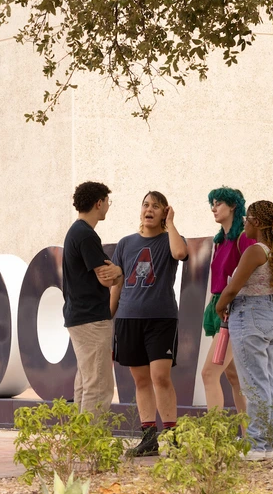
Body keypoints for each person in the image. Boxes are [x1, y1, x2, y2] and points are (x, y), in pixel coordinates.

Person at [111, 191, 189, 457]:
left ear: (165, 212)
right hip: (128, 318)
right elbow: (118, 282)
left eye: (156, 206)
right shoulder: (125, 243)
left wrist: (171, 224)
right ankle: (148, 438)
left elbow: (180, 253)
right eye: (146, 204)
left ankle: (172, 435)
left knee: (160, 377)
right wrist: (110, 314)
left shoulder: (170, 240)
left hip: (162, 319)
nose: (149, 209)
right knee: (141, 379)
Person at [216, 201, 273, 461]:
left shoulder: (254, 251)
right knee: (267, 380)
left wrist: (220, 305)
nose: (245, 224)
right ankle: (266, 441)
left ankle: (258, 445)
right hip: (272, 315)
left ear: (257, 223)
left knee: (253, 382)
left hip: (250, 315)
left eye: (248, 219)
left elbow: (233, 287)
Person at [62, 181, 123, 418]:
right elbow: (106, 278)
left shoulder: (76, 232)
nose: (108, 206)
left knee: (86, 381)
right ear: (99, 203)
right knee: (99, 386)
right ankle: (90, 444)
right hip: (91, 318)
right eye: (107, 201)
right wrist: (119, 272)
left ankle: (79, 442)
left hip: (79, 316)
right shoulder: (86, 235)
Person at [200, 187, 252, 412]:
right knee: (233, 376)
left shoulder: (243, 238)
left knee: (209, 373)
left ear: (233, 206)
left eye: (219, 203)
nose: (214, 208)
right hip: (221, 310)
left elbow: (253, 273)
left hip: (234, 311)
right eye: (212, 203)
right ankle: (249, 437)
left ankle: (214, 440)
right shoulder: (220, 241)